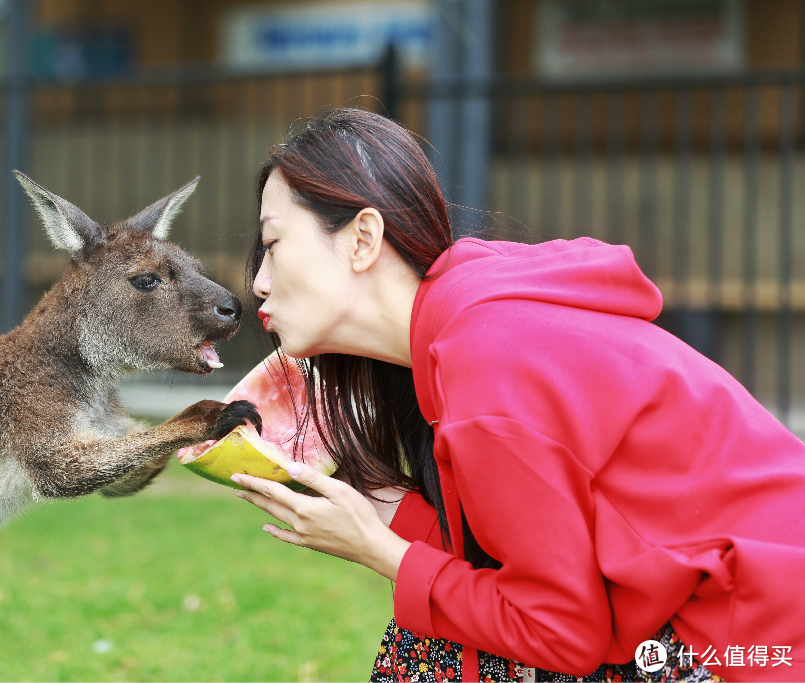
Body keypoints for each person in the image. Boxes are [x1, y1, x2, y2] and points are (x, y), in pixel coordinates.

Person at [230, 107, 805, 682]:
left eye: (273, 244)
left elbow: (560, 632)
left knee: (431, 654)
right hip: (716, 620)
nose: (258, 282)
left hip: (759, 644)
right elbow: (523, 567)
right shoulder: (465, 325)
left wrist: (379, 552)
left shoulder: (485, 357)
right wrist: (380, 508)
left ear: (362, 239)